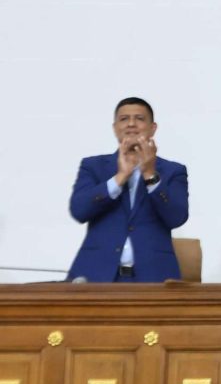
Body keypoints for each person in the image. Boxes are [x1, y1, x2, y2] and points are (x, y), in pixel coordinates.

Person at [67, 97, 189, 282]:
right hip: (96, 275)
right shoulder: (93, 166)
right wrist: (120, 178)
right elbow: (79, 211)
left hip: (154, 276)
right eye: (124, 119)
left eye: (139, 118)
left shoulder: (172, 171)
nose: (131, 124)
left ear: (153, 128)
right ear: (115, 127)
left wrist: (150, 174)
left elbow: (177, 217)